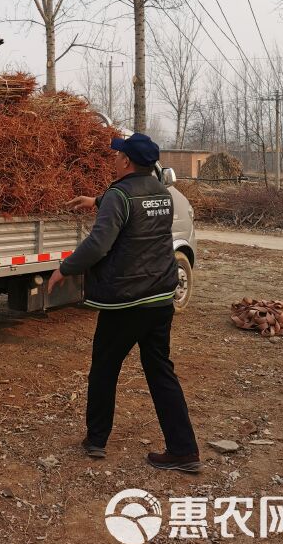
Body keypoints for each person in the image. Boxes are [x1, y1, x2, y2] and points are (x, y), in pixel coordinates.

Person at [47, 133, 201, 473]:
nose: (113, 159)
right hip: (161, 297)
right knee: (161, 371)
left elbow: (99, 243)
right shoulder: (161, 192)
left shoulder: (120, 195)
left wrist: (65, 268)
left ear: (127, 162)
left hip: (127, 301)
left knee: (104, 369)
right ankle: (184, 450)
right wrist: (96, 200)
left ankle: (96, 440)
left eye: (117, 155)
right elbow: (135, 202)